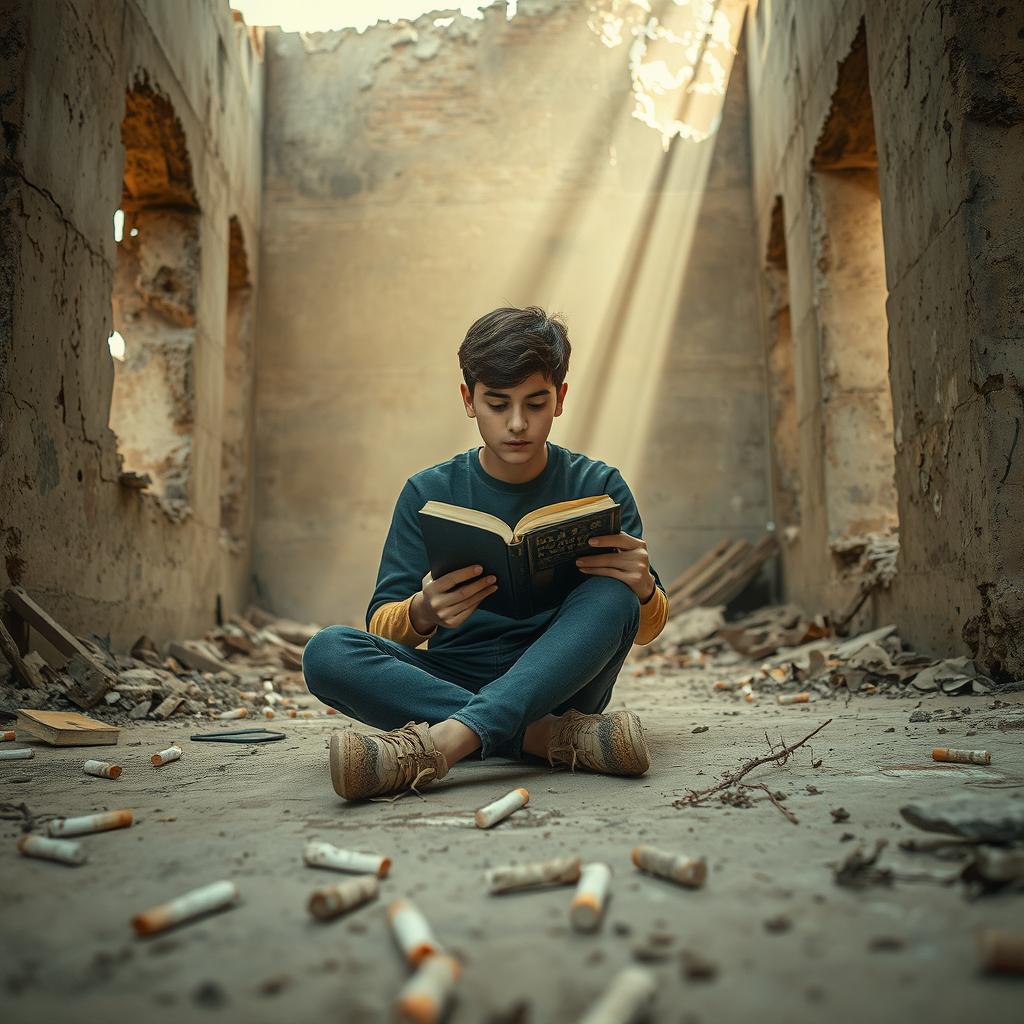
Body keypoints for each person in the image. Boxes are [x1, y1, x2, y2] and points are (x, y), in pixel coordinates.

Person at [302, 306, 669, 801]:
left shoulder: (598, 485)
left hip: (562, 682)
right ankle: (545, 740)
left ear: (560, 399)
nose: (517, 424)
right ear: (468, 400)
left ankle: (445, 742)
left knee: (614, 595)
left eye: (535, 404)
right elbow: (379, 624)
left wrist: (643, 588)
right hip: (452, 677)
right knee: (327, 652)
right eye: (498, 404)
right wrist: (423, 610)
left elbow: (644, 629)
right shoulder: (427, 491)